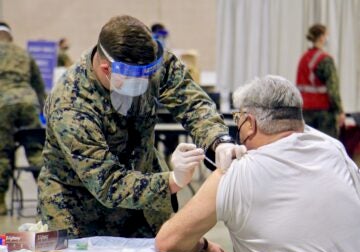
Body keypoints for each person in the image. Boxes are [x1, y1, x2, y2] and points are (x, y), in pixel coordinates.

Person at [37, 15, 241, 239]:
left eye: (149, 74)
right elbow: (107, 184)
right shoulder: (71, 105)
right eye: (136, 78)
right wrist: (173, 181)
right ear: (106, 69)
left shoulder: (148, 62)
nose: (145, 82)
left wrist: (219, 140)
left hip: (143, 194)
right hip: (77, 208)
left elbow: (192, 102)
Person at [156, 75, 360, 252]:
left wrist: (203, 246)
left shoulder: (237, 172)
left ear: (250, 123)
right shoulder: (335, 151)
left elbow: (168, 241)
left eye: (239, 119)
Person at [0, 21, 46, 215]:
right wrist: (42, 110)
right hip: (28, 103)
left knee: (1, 154)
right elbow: (38, 84)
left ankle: (0, 204)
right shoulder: (24, 54)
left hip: (2, 104)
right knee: (36, 151)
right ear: (10, 36)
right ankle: (47, 199)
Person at [296, 23, 345, 138]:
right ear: (322, 37)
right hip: (323, 113)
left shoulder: (303, 58)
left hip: (306, 111)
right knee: (326, 145)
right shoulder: (325, 60)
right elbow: (333, 89)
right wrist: (340, 110)